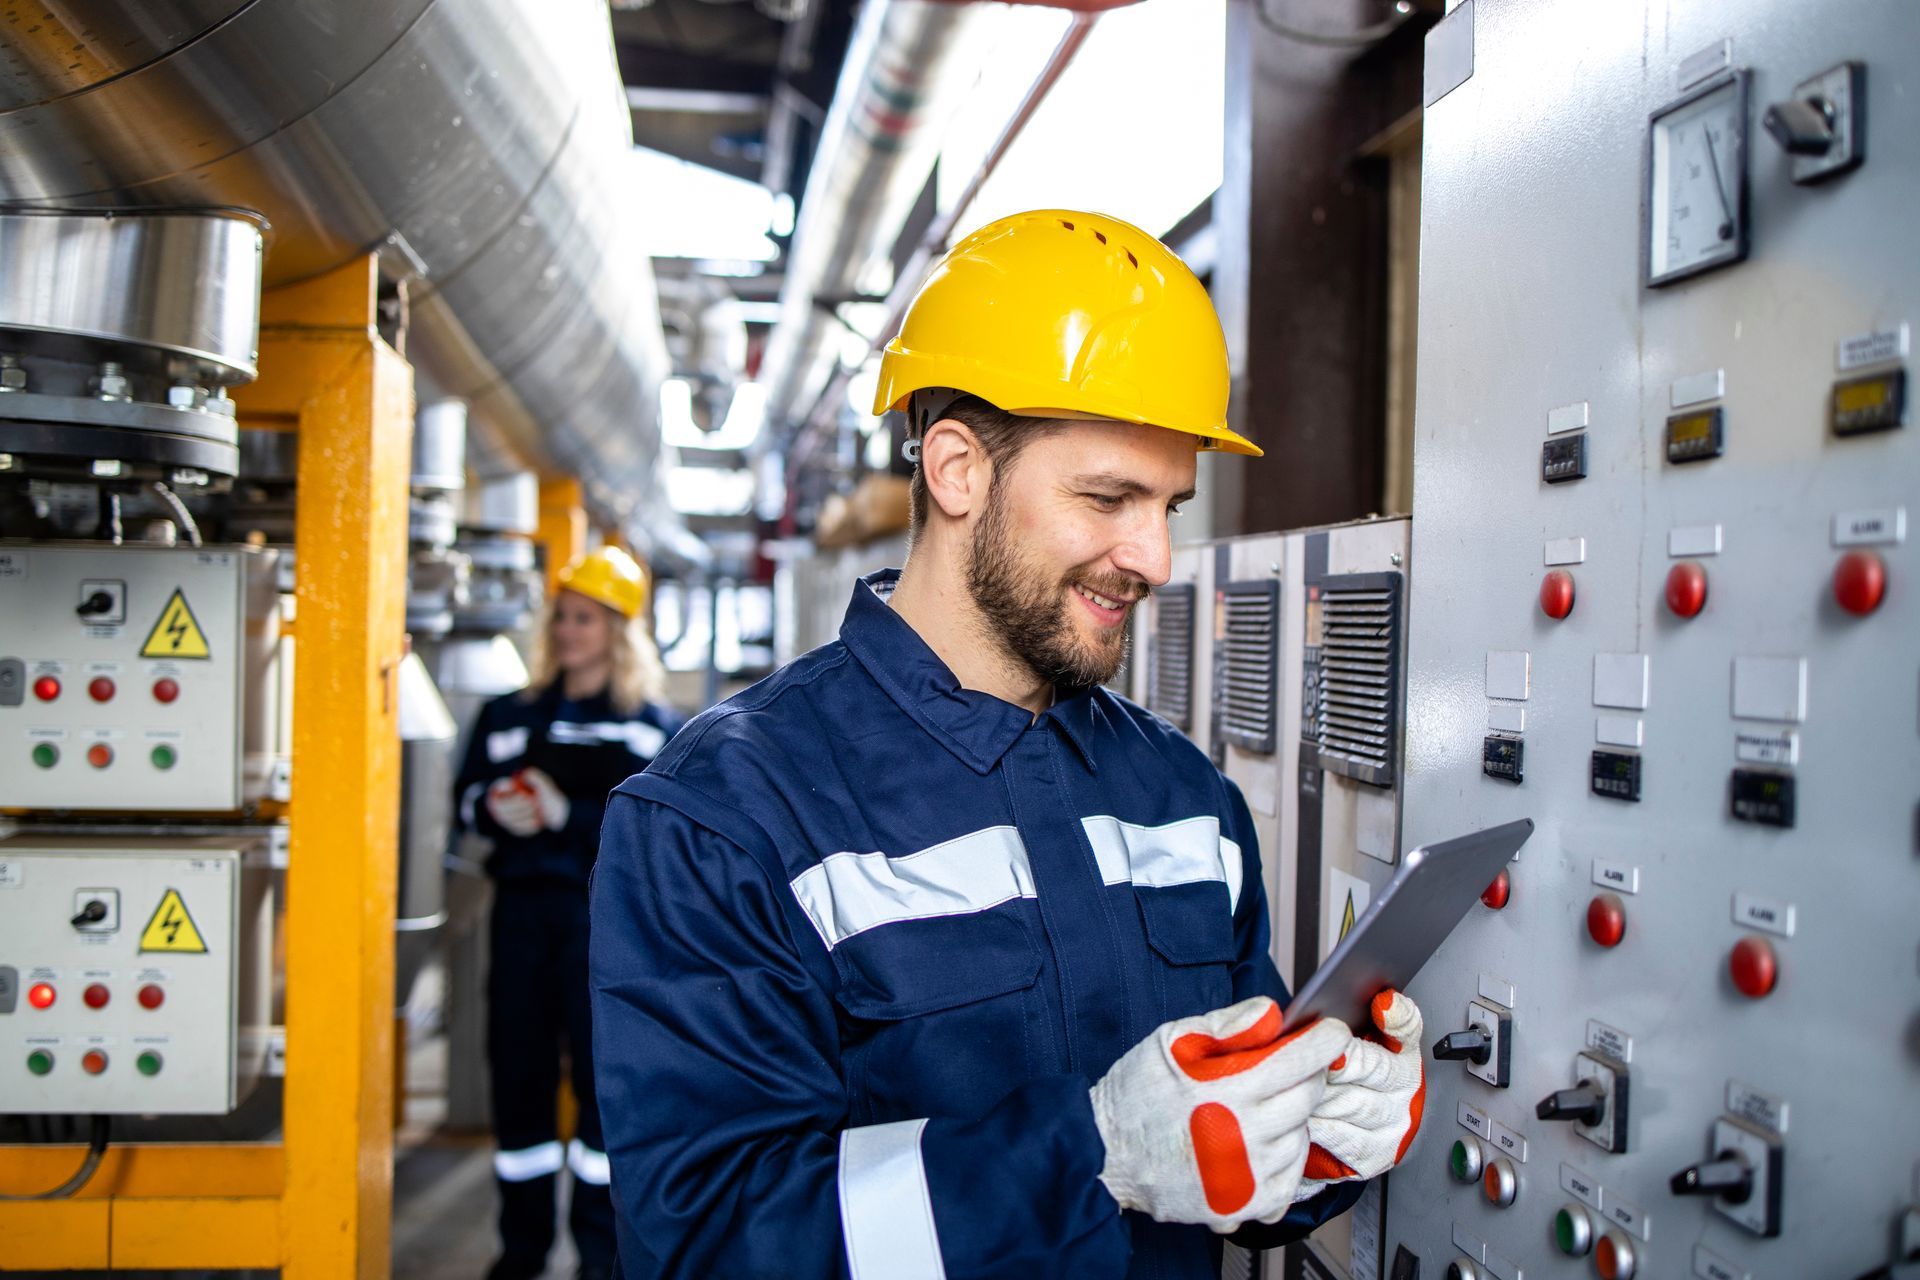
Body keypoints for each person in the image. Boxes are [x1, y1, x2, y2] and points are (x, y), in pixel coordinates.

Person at [588, 210, 1425, 1278]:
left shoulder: (1183, 798)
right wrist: (1091, 1155)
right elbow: (707, 1245)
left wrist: (1321, 1133)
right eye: (1109, 496)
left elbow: (1222, 1161)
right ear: (957, 470)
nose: (1157, 555)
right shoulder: (724, 816)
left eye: (1170, 502)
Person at [452, 545, 685, 1280]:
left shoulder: (648, 727)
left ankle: (598, 1256)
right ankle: (519, 1254)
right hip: (519, 917)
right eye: (560, 616)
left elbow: (660, 834)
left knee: (601, 1089)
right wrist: (493, 809)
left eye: (584, 618)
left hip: (604, 928)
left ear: (618, 631)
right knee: (517, 1078)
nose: (567, 630)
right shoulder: (506, 714)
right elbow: (463, 800)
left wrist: (573, 815)